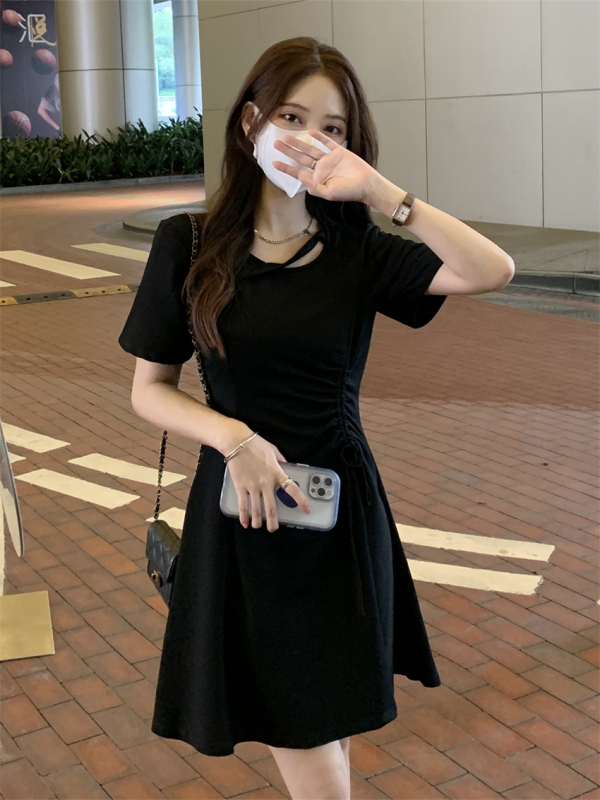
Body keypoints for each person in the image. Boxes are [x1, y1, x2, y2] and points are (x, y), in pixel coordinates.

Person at [118, 36, 514, 800]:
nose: (309, 140)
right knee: (305, 736)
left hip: (338, 516)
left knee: (323, 724)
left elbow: (491, 269)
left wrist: (384, 195)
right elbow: (149, 389)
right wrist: (234, 437)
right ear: (251, 123)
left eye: (332, 129)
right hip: (244, 517)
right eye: (292, 118)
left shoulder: (355, 249)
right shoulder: (188, 244)